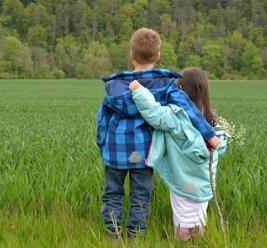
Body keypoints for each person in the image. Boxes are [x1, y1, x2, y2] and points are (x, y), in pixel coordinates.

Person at [96, 28, 220, 239]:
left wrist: (102, 144)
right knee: (140, 195)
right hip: (145, 151)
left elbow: (102, 119)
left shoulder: (115, 86)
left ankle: (113, 232)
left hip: (115, 150)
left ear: (131, 55)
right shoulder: (165, 85)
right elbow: (188, 109)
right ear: (158, 55)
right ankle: (136, 234)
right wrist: (208, 134)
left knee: (112, 192)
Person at [129, 67, 227, 240]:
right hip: (204, 183)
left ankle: (181, 241)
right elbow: (220, 147)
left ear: (180, 89)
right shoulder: (211, 121)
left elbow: (154, 113)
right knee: (198, 216)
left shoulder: (178, 116)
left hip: (183, 181)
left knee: (183, 216)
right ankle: (198, 241)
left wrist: (139, 91)